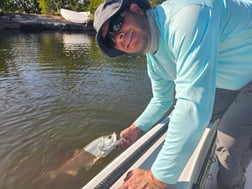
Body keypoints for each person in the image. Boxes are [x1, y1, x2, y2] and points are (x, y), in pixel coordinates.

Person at [93, 0, 252, 188]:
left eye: (117, 24)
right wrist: (137, 127)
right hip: (231, 81)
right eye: (111, 39)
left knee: (229, 141)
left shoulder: (188, 15)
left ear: (136, 9)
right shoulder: (154, 60)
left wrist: (156, 177)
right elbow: (162, 100)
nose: (118, 36)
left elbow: (193, 105)